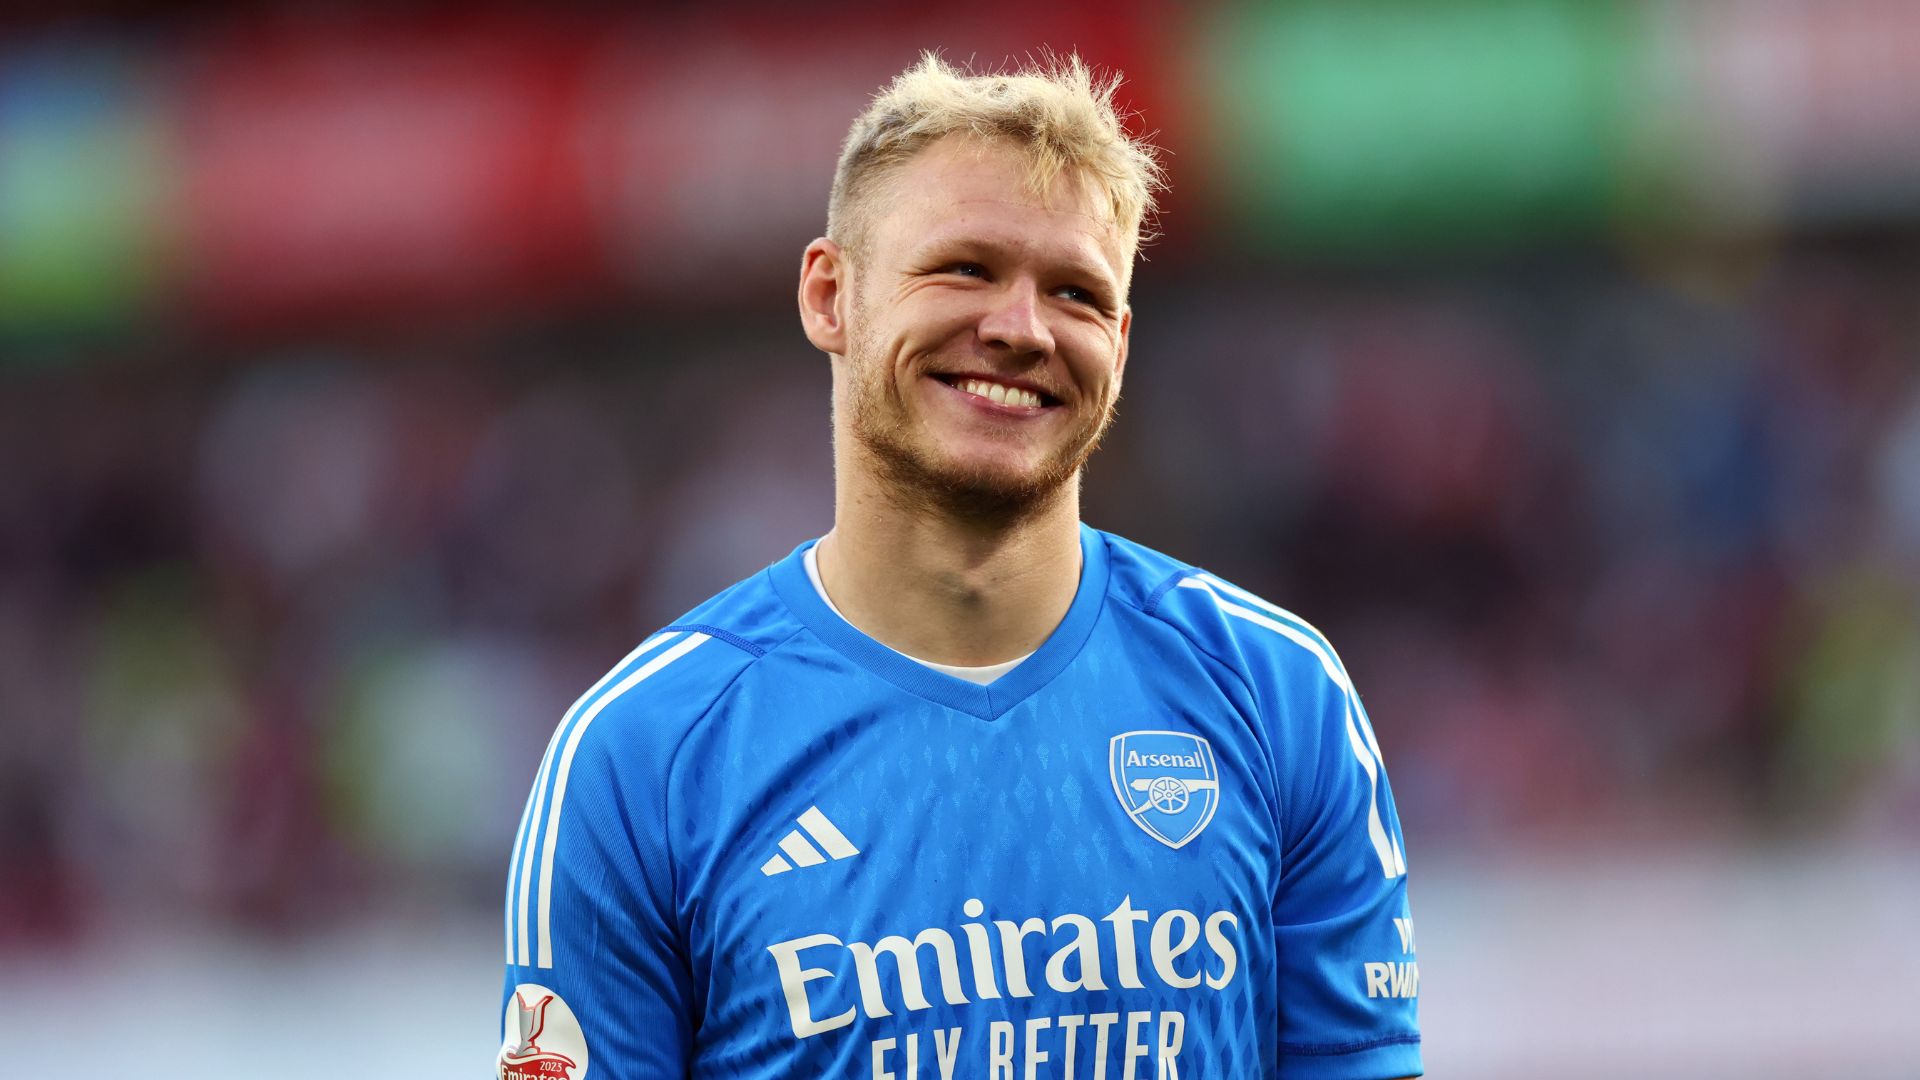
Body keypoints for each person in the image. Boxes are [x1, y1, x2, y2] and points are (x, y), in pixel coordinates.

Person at [499, 53, 1421, 1079]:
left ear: (1118, 342)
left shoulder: (1279, 696)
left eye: (1074, 292)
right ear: (829, 295)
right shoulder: (643, 755)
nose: (1020, 328)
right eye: (964, 269)